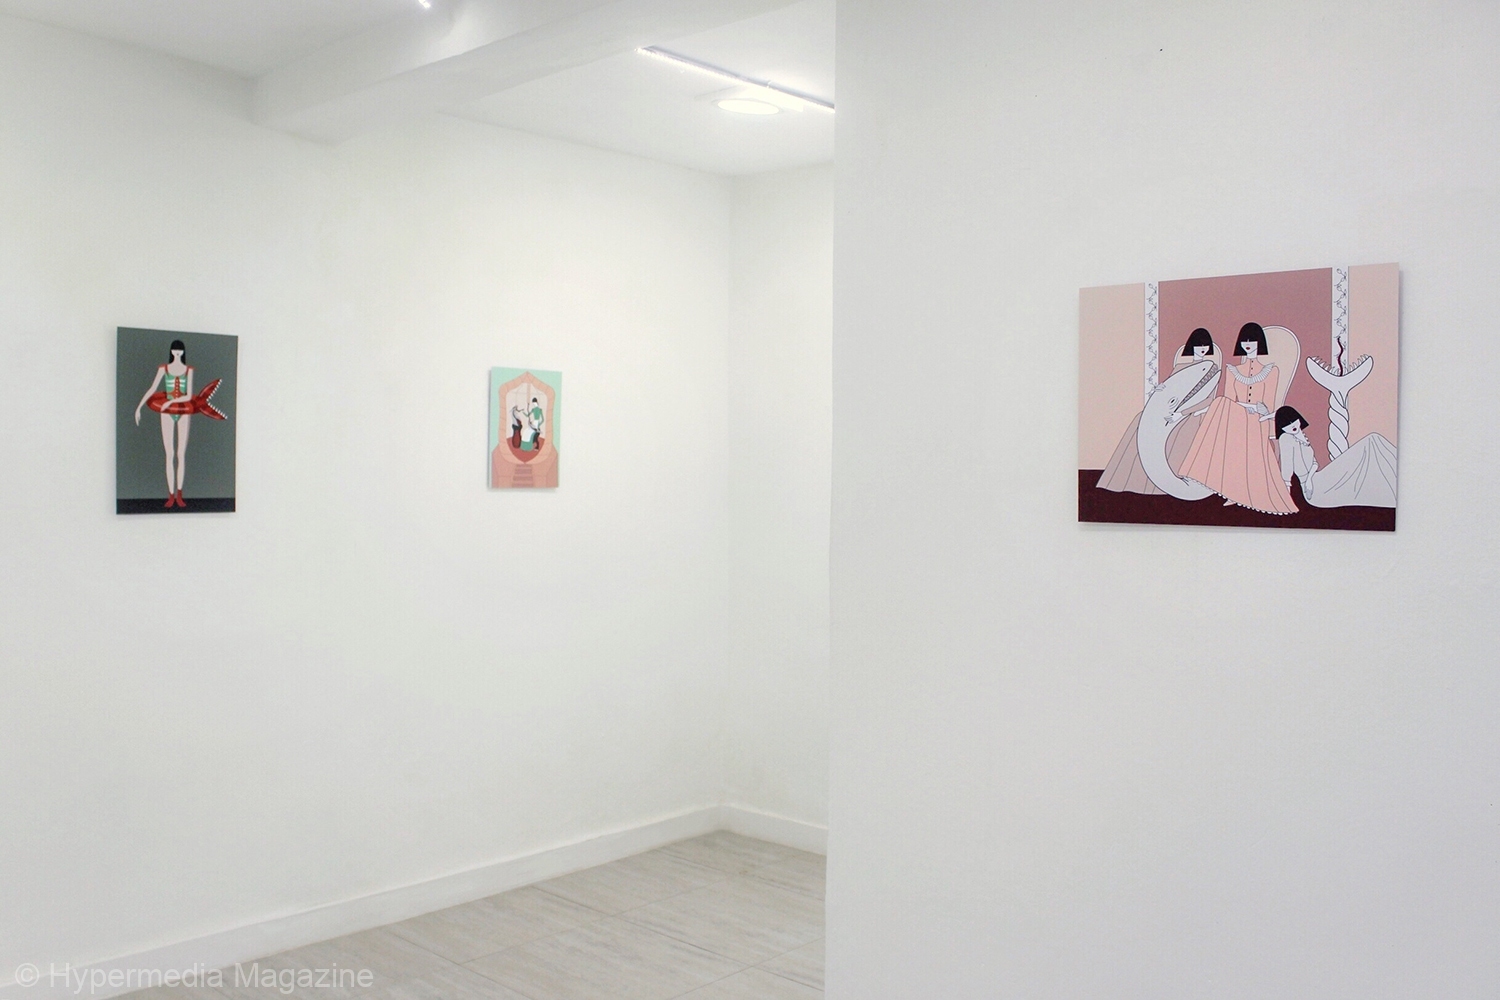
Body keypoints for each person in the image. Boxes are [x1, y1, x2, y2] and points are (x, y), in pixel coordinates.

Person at [1178, 323, 1297, 514]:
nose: (1248, 344)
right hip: (1236, 417)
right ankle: (1216, 480)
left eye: (1252, 340)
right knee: (1221, 403)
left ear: (1260, 343)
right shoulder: (1233, 370)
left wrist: (1257, 409)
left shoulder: (1271, 371)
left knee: (1230, 414)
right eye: (1244, 340)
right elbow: (1229, 399)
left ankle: (1245, 491)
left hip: (1258, 419)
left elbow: (1268, 404)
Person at [1097, 328, 1220, 494]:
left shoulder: (1211, 369)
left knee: (1186, 432)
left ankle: (1177, 482)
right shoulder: (1180, 367)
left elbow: (1208, 400)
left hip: (1193, 414)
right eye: (1198, 345)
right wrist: (1160, 389)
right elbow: (1171, 391)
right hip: (1170, 410)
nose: (1202, 349)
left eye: (1205, 345)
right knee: (1140, 421)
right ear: (1191, 346)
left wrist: (1182, 414)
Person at [1275, 406, 1398, 508]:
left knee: (1372, 440)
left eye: (1293, 421)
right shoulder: (1286, 438)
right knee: (1369, 443)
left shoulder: (1302, 436)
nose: (1292, 425)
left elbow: (1314, 463)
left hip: (1316, 478)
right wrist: (1286, 495)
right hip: (1315, 491)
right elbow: (1287, 467)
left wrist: (1309, 481)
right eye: (1287, 424)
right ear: (1281, 428)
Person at [133, 340, 193, 508]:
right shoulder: (163, 369)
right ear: (171, 351)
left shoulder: (188, 370)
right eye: (175, 349)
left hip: (183, 412)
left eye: (180, 350)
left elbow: (188, 395)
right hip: (166, 414)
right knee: (169, 454)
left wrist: (170, 402)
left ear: (183, 352)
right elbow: (152, 388)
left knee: (181, 454)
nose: (177, 352)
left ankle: (180, 493)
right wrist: (139, 407)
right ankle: (171, 494)